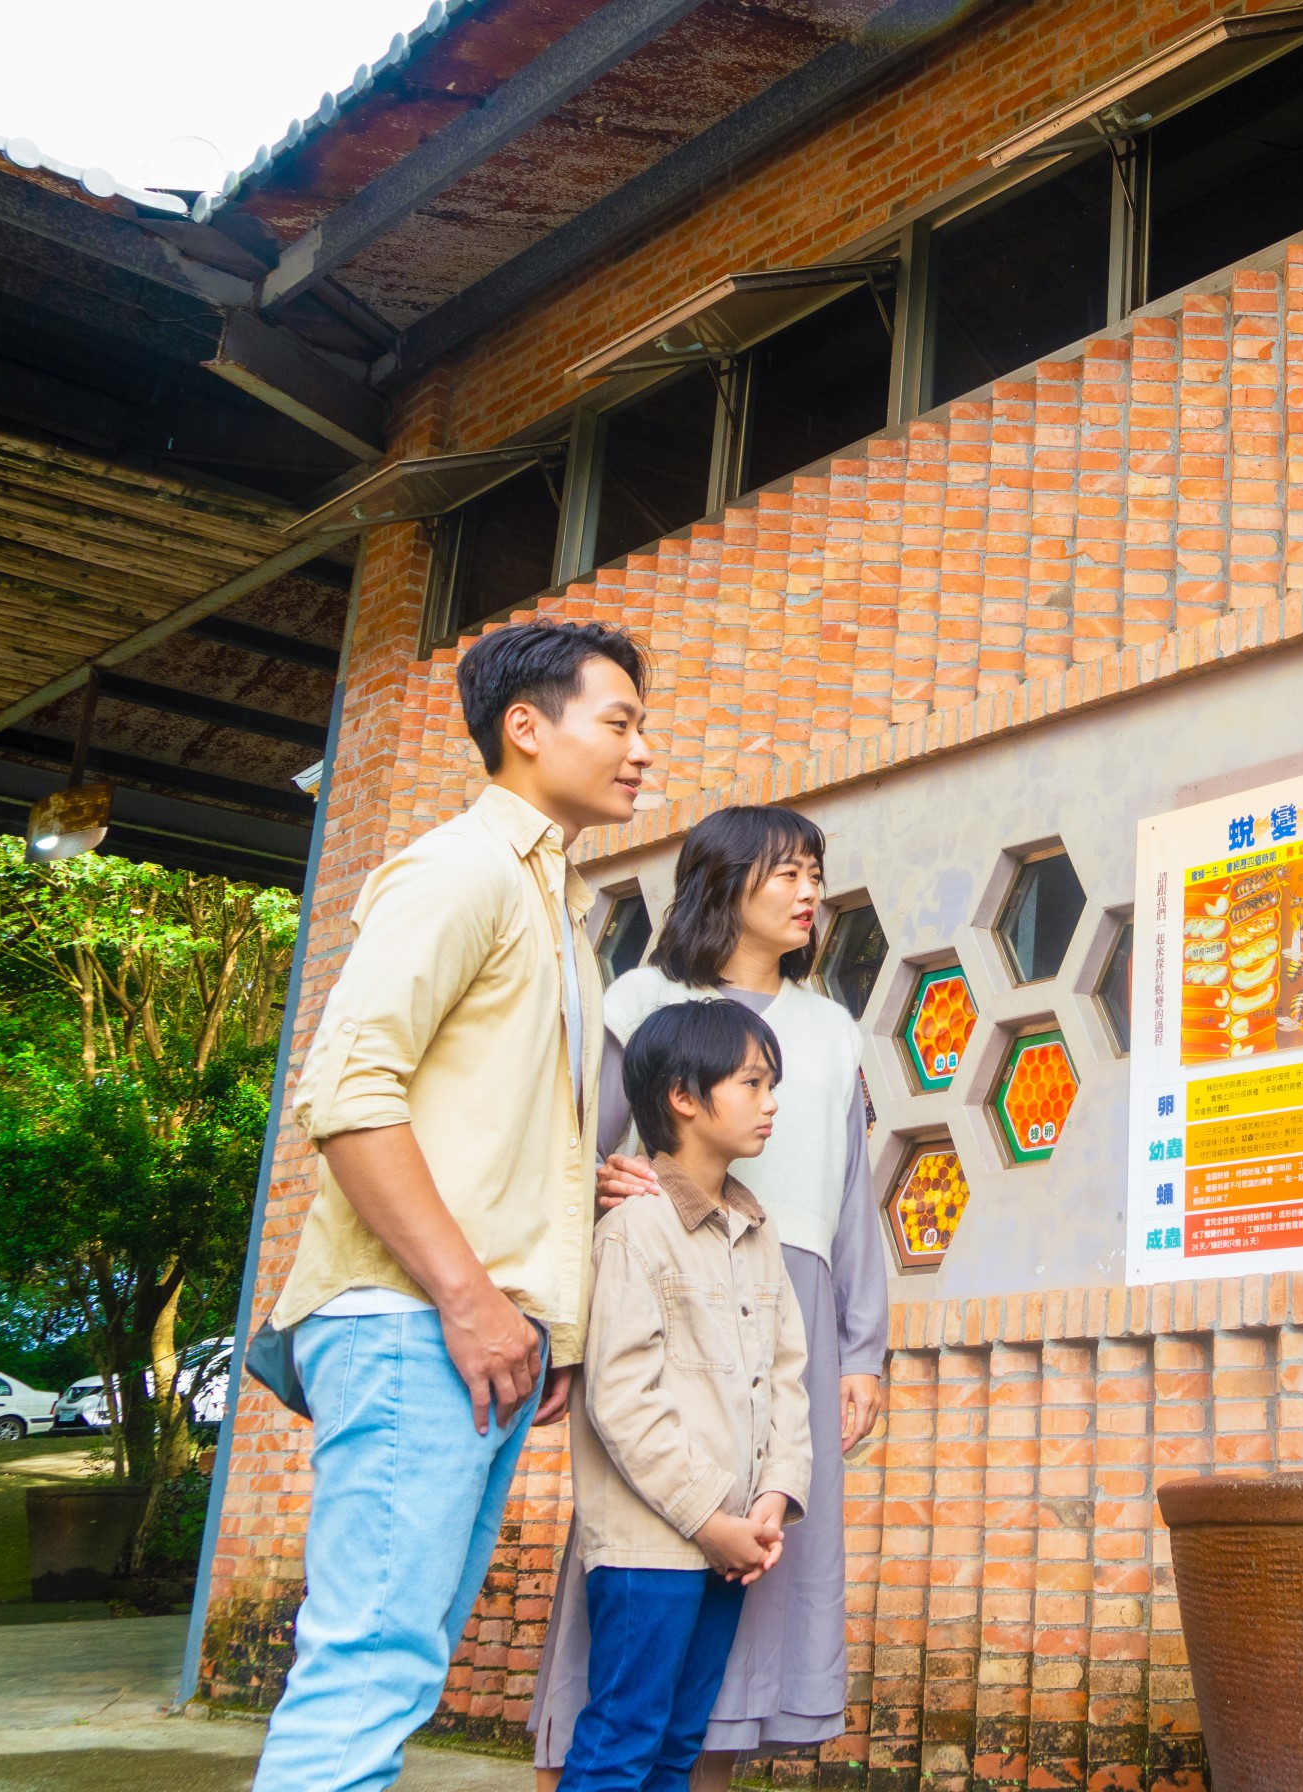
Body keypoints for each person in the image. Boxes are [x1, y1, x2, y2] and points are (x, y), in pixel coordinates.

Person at [255, 619, 650, 1792]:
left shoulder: (560, 914)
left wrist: (552, 1307)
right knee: (368, 1666)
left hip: (468, 1333)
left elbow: (495, 1132)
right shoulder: (460, 869)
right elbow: (347, 1093)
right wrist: (477, 1300)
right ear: (526, 728)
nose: (642, 750)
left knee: (398, 1665)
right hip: (406, 1321)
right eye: (619, 721)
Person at [532, 805, 888, 1789]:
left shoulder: (831, 1025)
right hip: (669, 1298)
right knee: (653, 1550)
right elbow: (573, 1147)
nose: (809, 890)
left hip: (793, 1305)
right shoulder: (646, 995)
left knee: (767, 1549)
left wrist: (862, 1348)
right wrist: (601, 1177)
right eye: (786, 871)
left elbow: (855, 1193)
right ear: (722, 881)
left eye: (817, 870)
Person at [558, 997, 812, 1792]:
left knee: (677, 1746)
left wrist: (773, 1498)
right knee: (622, 1743)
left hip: (732, 1540)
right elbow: (622, 1396)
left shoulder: (756, 1230)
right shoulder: (635, 1226)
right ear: (683, 1096)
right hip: (651, 1545)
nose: (771, 1103)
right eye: (752, 1082)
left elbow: (789, 1377)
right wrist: (710, 1519)